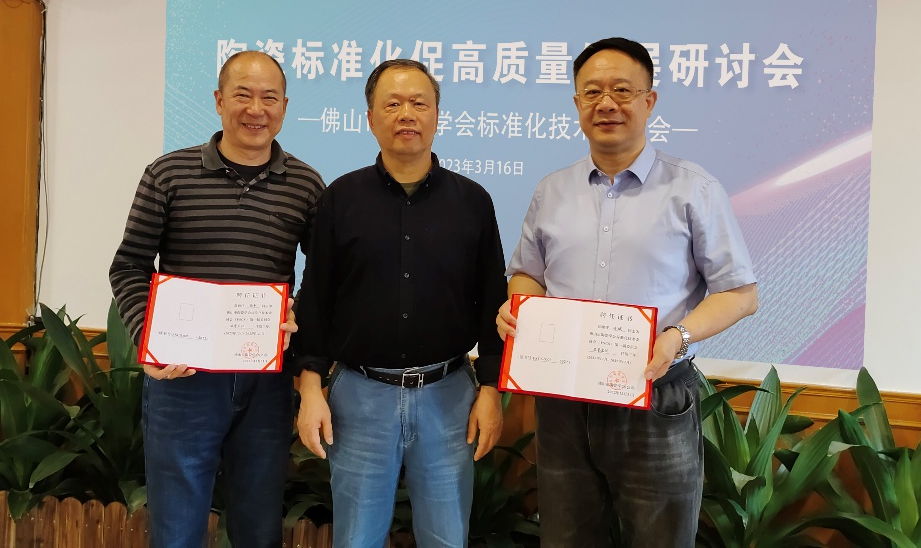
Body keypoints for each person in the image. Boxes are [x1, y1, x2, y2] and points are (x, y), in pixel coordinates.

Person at [497, 37, 759, 548]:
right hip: (564, 398)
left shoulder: (693, 188)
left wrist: (678, 336)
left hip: (655, 395)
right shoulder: (552, 190)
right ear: (577, 103)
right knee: (567, 538)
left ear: (649, 100)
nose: (606, 104)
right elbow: (527, 274)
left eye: (622, 90)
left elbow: (740, 294)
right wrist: (518, 307)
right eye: (592, 92)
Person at [110, 50, 325, 548]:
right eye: (242, 95)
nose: (256, 109)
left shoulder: (306, 184)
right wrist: (148, 338)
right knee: (177, 530)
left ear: (285, 106)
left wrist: (298, 313)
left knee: (259, 527)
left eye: (269, 97)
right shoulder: (168, 174)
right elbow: (130, 265)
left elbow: (323, 277)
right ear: (218, 100)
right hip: (183, 379)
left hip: (266, 382)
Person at [293, 58, 507, 548]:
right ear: (370, 118)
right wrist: (310, 390)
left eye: (418, 103)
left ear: (437, 115)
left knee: (446, 538)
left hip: (449, 396)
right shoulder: (340, 199)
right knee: (356, 539)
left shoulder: (473, 201)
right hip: (359, 396)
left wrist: (492, 391)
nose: (406, 113)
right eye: (392, 104)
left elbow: (493, 301)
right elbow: (317, 297)